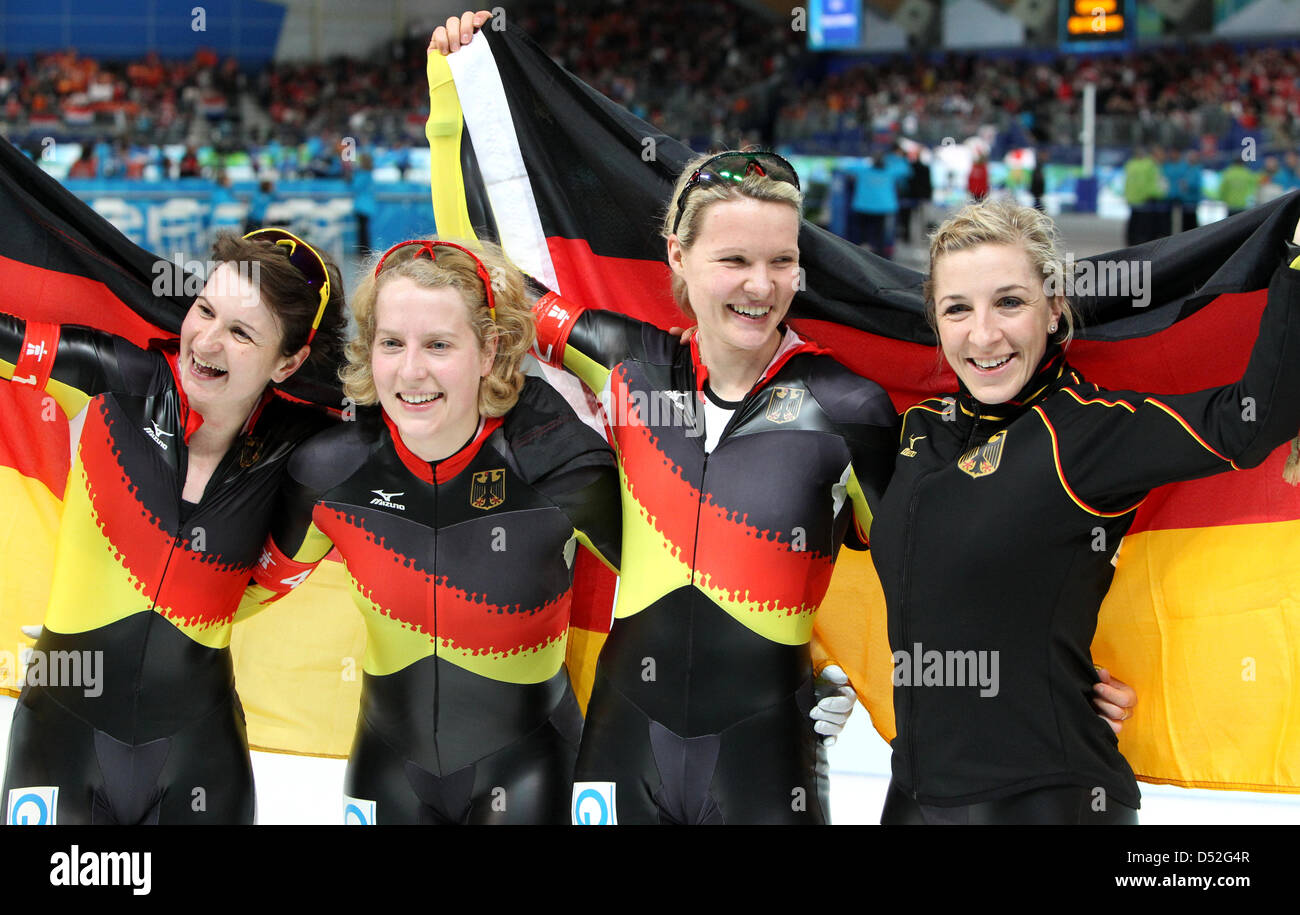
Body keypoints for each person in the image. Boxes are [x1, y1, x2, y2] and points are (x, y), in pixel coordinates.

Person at [430, 10, 1137, 825]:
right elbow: (479, 279)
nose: (759, 285)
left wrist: (1040, 680)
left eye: (780, 260)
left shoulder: (847, 409)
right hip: (622, 745)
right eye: (733, 260)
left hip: (768, 759)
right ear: (678, 259)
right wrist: (453, 96)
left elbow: (938, 567)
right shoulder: (625, 358)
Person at [873, 198, 1300, 824]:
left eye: (1010, 302)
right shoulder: (917, 431)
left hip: (1054, 798)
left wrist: (1294, 261)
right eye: (957, 308)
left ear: (1055, 308)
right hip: (909, 796)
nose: (983, 334)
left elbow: (1248, 423)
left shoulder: (1089, 434)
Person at [243, 238, 621, 824]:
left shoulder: (557, 465)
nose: (411, 371)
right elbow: (235, 595)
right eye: (391, 343)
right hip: (386, 774)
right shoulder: (331, 470)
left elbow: (678, 584)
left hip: (531, 774)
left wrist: (785, 674)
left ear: (490, 349)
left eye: (439, 345)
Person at [2, 229, 347, 824]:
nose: (207, 341)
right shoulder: (116, 379)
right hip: (62, 737)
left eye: (242, 333)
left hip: (200, 759)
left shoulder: (307, 454)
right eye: (205, 309)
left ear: (288, 362)